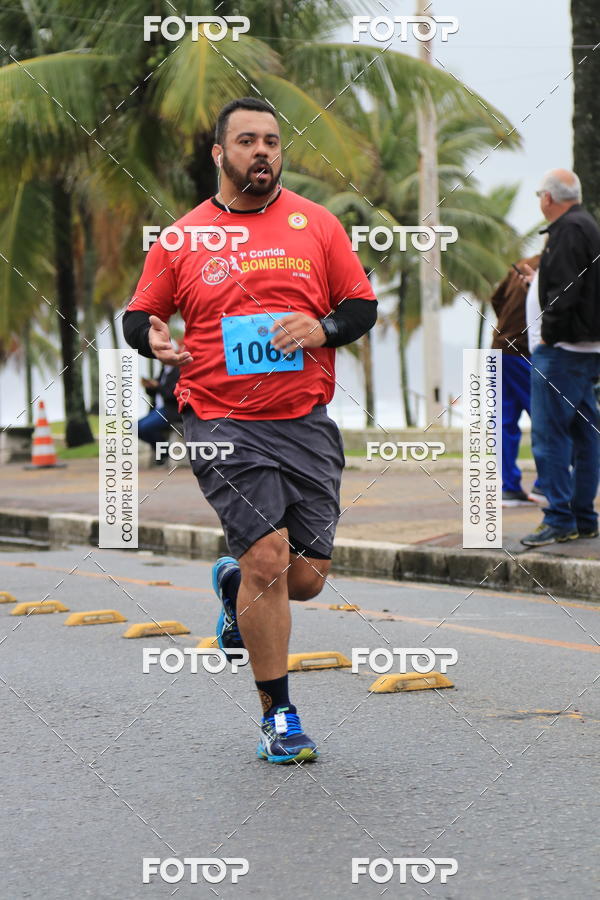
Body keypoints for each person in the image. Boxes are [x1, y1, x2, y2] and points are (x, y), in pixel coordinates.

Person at [123, 97, 378, 763]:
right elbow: (139, 315)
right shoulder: (184, 237)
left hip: (305, 421)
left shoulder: (316, 224)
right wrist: (151, 338)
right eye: (246, 141)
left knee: (307, 578)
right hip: (220, 419)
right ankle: (279, 716)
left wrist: (323, 328)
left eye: (271, 140)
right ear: (219, 153)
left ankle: (234, 587)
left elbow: (360, 305)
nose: (262, 150)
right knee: (268, 558)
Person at [519, 169, 600, 547]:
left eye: (540, 195)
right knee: (585, 436)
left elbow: (566, 289)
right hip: (581, 349)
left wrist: (549, 333)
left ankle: (559, 518)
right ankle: (583, 517)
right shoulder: (584, 226)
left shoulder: (568, 230)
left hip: (562, 351)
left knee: (550, 437)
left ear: (548, 198)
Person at [490, 255, 544, 506]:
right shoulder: (555, 264)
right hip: (523, 350)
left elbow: (496, 299)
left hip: (500, 347)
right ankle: (546, 484)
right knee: (546, 417)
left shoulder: (522, 264)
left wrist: (508, 326)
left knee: (505, 420)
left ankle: (509, 487)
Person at [138, 364, 181, 464]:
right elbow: (154, 393)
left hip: (171, 412)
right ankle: (162, 450)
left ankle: (163, 452)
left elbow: (173, 394)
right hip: (158, 410)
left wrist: (158, 386)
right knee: (135, 427)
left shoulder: (178, 371)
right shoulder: (164, 370)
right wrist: (149, 386)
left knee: (145, 427)